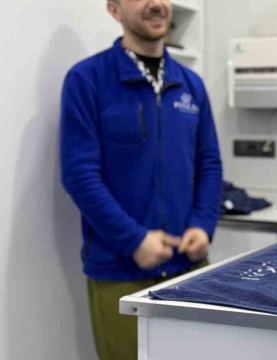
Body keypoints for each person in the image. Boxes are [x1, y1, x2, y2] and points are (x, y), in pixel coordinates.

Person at [59, 0, 223, 359]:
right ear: (114, 10)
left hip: (190, 270)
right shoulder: (88, 80)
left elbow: (209, 163)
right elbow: (79, 174)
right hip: (121, 273)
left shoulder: (190, 85)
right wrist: (134, 240)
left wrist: (204, 224)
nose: (157, 4)